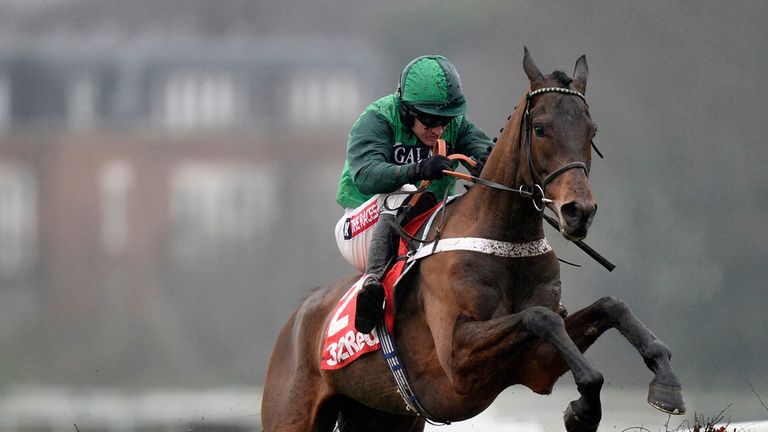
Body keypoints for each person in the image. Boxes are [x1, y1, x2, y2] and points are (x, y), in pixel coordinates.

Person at [335, 55, 493, 334]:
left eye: (446, 120)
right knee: (404, 192)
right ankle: (371, 285)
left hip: (424, 227)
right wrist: (418, 169)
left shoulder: (454, 126)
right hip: (361, 228)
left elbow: (491, 155)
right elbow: (366, 175)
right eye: (431, 120)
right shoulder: (377, 119)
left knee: (466, 206)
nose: (439, 130)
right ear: (407, 111)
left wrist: (487, 165)